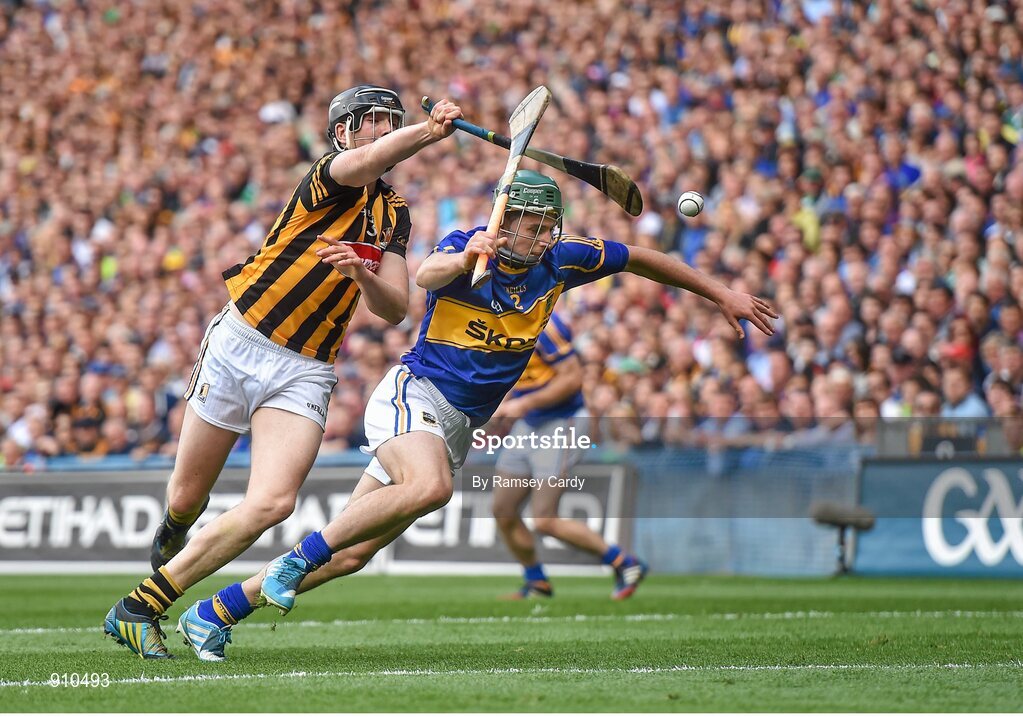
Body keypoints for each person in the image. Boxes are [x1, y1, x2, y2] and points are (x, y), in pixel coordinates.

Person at [175, 168, 777, 662]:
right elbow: (423, 281)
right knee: (430, 487)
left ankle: (217, 612)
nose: (542, 237)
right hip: (414, 396)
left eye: (549, 227)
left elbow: (642, 257)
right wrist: (468, 258)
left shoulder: (561, 264)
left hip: (458, 427)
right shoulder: (465, 246)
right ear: (504, 221)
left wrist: (719, 292)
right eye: (531, 225)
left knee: (355, 555)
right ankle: (295, 560)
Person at [102, 85, 464, 659]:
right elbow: (367, 161)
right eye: (375, 122)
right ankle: (176, 527)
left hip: (307, 368)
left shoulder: (394, 212)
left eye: (393, 122)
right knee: (186, 497)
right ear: (343, 131)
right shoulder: (329, 174)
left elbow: (394, 307)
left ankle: (140, 606)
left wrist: (360, 272)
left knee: (274, 503)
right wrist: (425, 131)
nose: (384, 131)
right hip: (241, 340)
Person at [489, 312, 645, 600]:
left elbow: (573, 380)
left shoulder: (543, 322)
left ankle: (624, 562)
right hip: (529, 423)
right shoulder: (490, 319)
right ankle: (537, 581)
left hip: (564, 420)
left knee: (545, 519)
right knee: (503, 509)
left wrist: (524, 404)